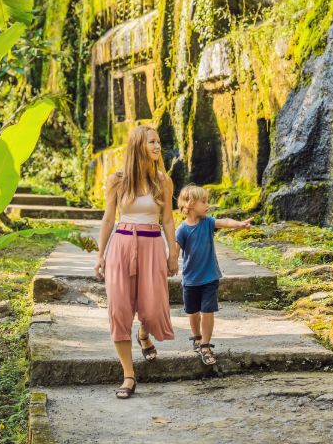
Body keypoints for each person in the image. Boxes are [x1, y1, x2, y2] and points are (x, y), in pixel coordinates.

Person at [94, 126, 178, 399]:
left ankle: (144, 334)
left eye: (158, 142)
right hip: (121, 245)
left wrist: (173, 252)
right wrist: (100, 254)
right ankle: (128, 375)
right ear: (138, 146)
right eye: (151, 142)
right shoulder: (117, 180)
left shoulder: (163, 181)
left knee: (152, 312)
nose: (157, 146)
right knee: (119, 311)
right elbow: (108, 219)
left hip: (152, 245)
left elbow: (167, 219)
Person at [175, 184, 252, 365]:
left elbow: (224, 222)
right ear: (191, 204)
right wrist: (168, 263)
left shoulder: (208, 222)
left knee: (207, 311)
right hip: (191, 279)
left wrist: (239, 225)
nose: (207, 205)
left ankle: (205, 345)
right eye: (203, 202)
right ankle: (196, 337)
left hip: (210, 278)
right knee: (192, 312)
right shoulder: (182, 229)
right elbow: (175, 250)